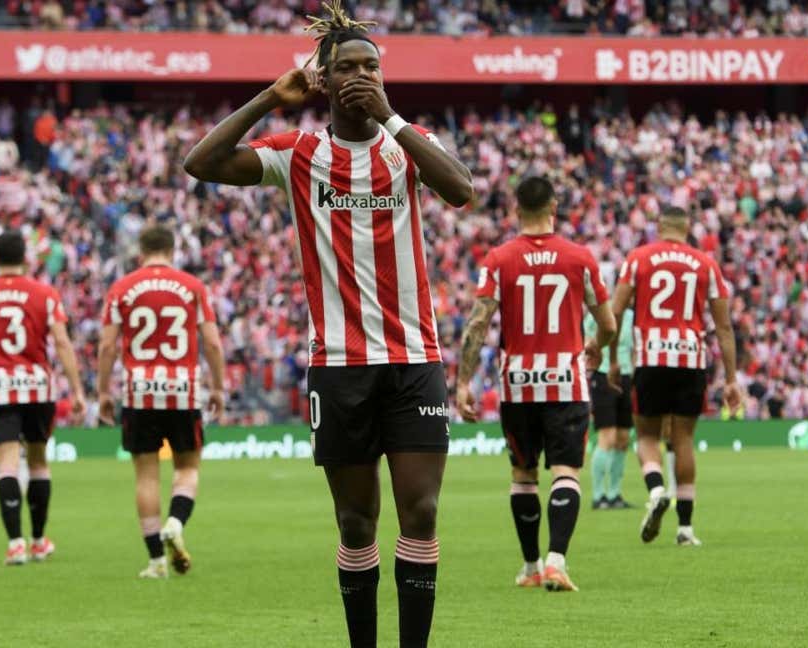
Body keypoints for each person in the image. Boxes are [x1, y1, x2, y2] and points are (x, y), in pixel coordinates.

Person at [183, 1, 471, 643]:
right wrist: (269, 98)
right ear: (325, 79)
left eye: (373, 64)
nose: (364, 74)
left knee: (420, 511)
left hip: (413, 359)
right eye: (349, 66)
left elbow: (462, 191)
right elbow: (200, 163)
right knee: (355, 523)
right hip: (339, 366)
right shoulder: (299, 153)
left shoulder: (409, 147)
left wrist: (391, 117)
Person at [456, 176, 615, 592]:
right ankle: (556, 563)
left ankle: (530, 566)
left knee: (523, 475)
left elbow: (478, 323)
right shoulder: (579, 258)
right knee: (566, 472)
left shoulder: (498, 259)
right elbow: (609, 323)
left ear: (515, 211)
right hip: (566, 379)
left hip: (518, 382)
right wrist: (597, 345)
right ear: (554, 207)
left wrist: (462, 383)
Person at [96, 225, 225, 580]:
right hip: (182, 391)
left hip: (138, 393)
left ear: (141, 251)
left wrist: (103, 392)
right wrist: (218, 387)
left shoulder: (121, 288)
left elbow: (107, 346)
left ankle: (155, 561)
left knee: (146, 477)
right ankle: (175, 520)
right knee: (187, 468)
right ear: (172, 251)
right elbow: (212, 343)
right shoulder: (192, 287)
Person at [608, 206, 742, 547]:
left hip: (651, 357)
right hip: (690, 359)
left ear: (658, 227)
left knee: (648, 437)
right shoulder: (706, 264)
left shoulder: (639, 258)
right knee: (683, 440)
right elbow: (724, 328)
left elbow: (616, 311)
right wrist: (731, 379)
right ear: (688, 228)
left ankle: (655, 491)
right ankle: (685, 529)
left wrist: (612, 359)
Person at [0, 231, 87, 565]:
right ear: (26, 259)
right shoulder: (44, 294)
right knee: (39, 462)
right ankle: (40, 540)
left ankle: (16, 544)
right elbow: (61, 342)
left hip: (0, 388)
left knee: (7, 464)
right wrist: (76, 391)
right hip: (39, 387)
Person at [588, 306, 634, 510]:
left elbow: (635, 348)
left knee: (623, 438)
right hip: (604, 374)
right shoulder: (595, 315)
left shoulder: (633, 316)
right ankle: (599, 496)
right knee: (607, 436)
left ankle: (614, 494)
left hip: (626, 376)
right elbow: (587, 343)